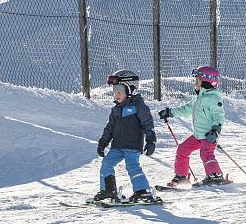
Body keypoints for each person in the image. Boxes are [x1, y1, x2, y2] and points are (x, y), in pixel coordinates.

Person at [94, 70, 160, 203]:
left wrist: (151, 141)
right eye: (114, 91)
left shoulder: (139, 106)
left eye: (119, 90)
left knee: (132, 166)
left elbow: (148, 124)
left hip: (132, 145)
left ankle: (142, 191)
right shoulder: (116, 109)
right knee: (106, 163)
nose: (116, 94)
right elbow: (109, 128)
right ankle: (109, 190)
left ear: (131, 89)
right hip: (117, 146)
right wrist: (103, 142)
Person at [158, 65, 226, 186]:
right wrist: (170, 112)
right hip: (198, 134)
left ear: (206, 82)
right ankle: (182, 176)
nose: (195, 84)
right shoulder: (198, 98)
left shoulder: (214, 99)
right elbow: (186, 109)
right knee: (182, 150)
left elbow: (219, 116)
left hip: (210, 135)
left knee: (205, 153)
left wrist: (216, 130)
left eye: (197, 81)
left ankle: (215, 175)